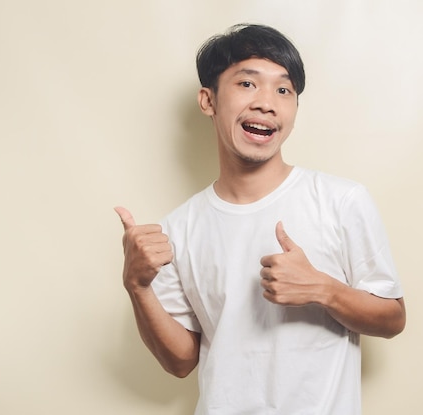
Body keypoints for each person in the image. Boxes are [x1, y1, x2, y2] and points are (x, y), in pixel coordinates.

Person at [114, 23, 406, 415]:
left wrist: (322, 289)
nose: (267, 103)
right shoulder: (177, 230)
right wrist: (138, 286)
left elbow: (392, 318)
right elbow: (180, 361)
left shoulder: (342, 200)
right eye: (247, 84)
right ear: (208, 100)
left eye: (283, 90)